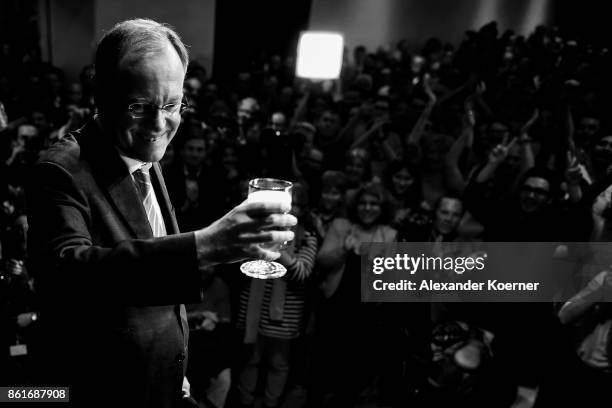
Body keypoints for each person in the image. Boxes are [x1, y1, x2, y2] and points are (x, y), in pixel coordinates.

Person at [26, 19, 296, 408]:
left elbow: (153, 286)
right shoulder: (59, 170)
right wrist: (203, 246)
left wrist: (176, 376)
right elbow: (69, 276)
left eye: (171, 104)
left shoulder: (144, 156)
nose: (159, 123)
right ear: (100, 95)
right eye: (139, 106)